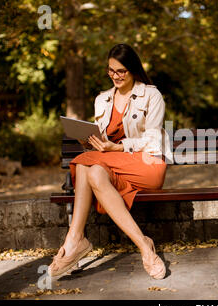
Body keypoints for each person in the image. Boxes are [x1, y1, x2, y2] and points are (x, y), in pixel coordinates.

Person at [48, 44, 173, 280]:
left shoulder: (151, 95)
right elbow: (103, 141)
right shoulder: (102, 100)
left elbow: (153, 139)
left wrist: (118, 147)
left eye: (121, 71)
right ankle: (145, 246)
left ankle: (75, 240)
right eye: (111, 71)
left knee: (84, 163)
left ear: (133, 70)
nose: (115, 76)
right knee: (93, 170)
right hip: (113, 163)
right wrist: (92, 141)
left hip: (147, 163)